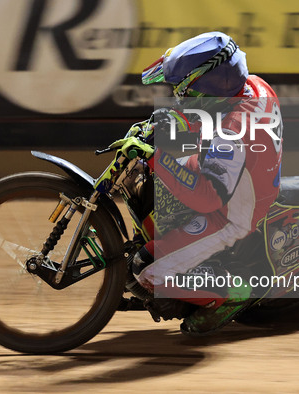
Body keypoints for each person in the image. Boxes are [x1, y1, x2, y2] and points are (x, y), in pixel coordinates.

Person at [110, 32, 283, 335]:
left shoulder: (234, 133)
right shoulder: (251, 85)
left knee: (146, 269)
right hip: (232, 173)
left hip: (230, 213)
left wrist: (159, 157)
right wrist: (176, 125)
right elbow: (209, 118)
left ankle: (230, 296)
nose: (179, 97)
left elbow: (209, 199)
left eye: (184, 92)